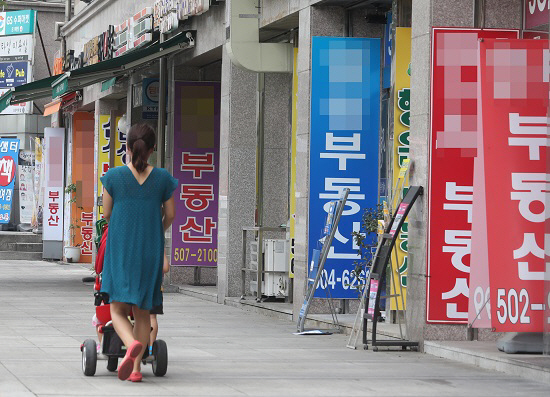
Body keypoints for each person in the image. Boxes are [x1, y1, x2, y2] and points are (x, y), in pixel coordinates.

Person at [100, 123, 177, 382]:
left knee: (117, 310)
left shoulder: (113, 177)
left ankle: (130, 345)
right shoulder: (163, 178)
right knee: (143, 311)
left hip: (121, 248)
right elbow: (171, 215)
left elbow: (107, 213)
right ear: (153, 148)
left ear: (128, 147)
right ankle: (135, 370)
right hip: (150, 250)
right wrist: (157, 228)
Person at [149, 253, 170, 355]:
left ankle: (130, 343)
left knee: (132, 316)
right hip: (154, 288)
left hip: (134, 287)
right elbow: (165, 268)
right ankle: (151, 347)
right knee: (152, 317)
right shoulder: (158, 244)